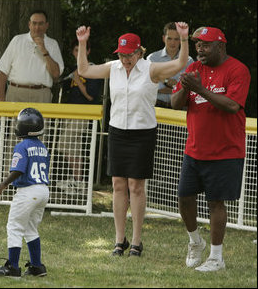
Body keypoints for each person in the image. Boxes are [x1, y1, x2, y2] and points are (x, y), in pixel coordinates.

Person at [76, 22, 189, 257]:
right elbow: (85, 70)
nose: (126, 59)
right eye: (122, 54)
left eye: (130, 55)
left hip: (142, 133)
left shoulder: (151, 69)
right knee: (118, 185)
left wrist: (184, 39)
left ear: (140, 52)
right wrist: (83, 42)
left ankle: (137, 241)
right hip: (118, 131)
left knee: (136, 187)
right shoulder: (114, 67)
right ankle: (120, 240)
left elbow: (180, 63)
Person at [171, 27, 251, 272]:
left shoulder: (238, 70)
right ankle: (196, 241)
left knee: (215, 202)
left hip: (225, 150)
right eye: (197, 45)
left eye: (205, 45)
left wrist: (200, 89)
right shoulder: (194, 69)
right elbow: (174, 103)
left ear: (221, 46)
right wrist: (186, 86)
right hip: (194, 149)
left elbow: (231, 105)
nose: (200, 49)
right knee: (184, 197)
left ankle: (217, 257)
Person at [0, 108, 50, 278]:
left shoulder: (21, 146)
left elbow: (18, 170)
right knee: (31, 229)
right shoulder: (43, 147)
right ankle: (37, 266)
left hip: (27, 191)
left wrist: (4, 183)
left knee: (14, 227)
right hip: (43, 190)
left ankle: (13, 267)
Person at [57, 39, 103, 194]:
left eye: (82, 51)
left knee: (64, 143)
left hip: (84, 114)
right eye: (76, 51)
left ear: (88, 52)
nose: (79, 54)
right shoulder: (74, 69)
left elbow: (91, 96)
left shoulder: (92, 70)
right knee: (74, 148)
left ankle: (78, 180)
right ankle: (78, 181)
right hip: (71, 113)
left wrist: (77, 79)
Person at [0, 9, 64, 103]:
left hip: (41, 95)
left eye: (41, 23)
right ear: (29, 24)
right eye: (34, 23)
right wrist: (1, 97)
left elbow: (56, 74)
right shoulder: (17, 40)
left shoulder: (52, 44)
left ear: (46, 25)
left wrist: (44, 50)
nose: (37, 27)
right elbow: (3, 70)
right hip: (16, 93)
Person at [147, 22, 194, 108]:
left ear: (180, 40)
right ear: (164, 38)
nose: (173, 42)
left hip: (179, 108)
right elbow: (150, 86)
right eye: (169, 38)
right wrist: (175, 86)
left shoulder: (189, 61)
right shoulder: (152, 58)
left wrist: (163, 82)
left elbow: (190, 89)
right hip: (156, 106)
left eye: (176, 39)